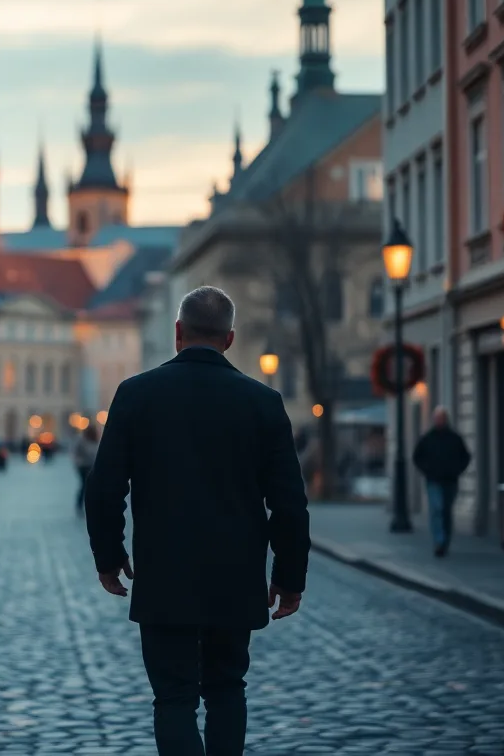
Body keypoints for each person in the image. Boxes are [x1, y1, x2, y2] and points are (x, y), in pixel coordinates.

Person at [85, 286, 311, 756]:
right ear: (229, 338)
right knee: (227, 689)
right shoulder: (262, 403)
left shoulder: (136, 395)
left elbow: (104, 488)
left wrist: (109, 557)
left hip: (165, 576)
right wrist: (290, 578)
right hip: (236, 576)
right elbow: (289, 503)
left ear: (177, 333)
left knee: (174, 697)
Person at [411, 405, 471, 558]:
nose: (439, 421)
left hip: (450, 480)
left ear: (446, 420)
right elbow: (417, 456)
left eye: (442, 418)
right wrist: (427, 470)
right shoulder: (428, 438)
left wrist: (457, 470)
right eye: (437, 418)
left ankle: (445, 540)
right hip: (434, 480)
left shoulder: (454, 438)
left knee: (446, 511)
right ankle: (439, 541)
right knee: (437, 509)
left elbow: (465, 456)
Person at [73, 423, 101, 514]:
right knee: (85, 485)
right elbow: (76, 453)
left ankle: (89, 505)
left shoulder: (95, 440)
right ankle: (81, 505)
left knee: (89, 486)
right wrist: (78, 462)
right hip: (83, 466)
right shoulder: (81, 440)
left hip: (92, 466)